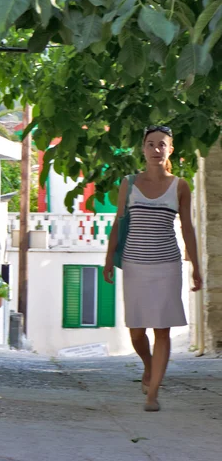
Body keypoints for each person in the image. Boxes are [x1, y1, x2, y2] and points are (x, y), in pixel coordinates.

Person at [103, 125, 203, 412]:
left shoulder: (180, 185)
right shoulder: (129, 183)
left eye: (162, 145)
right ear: (143, 149)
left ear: (170, 150)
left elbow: (188, 229)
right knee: (136, 332)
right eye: (151, 144)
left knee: (162, 330)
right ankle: (148, 365)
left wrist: (196, 267)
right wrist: (109, 258)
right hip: (134, 265)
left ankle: (153, 393)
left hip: (167, 266)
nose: (156, 149)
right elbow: (119, 222)